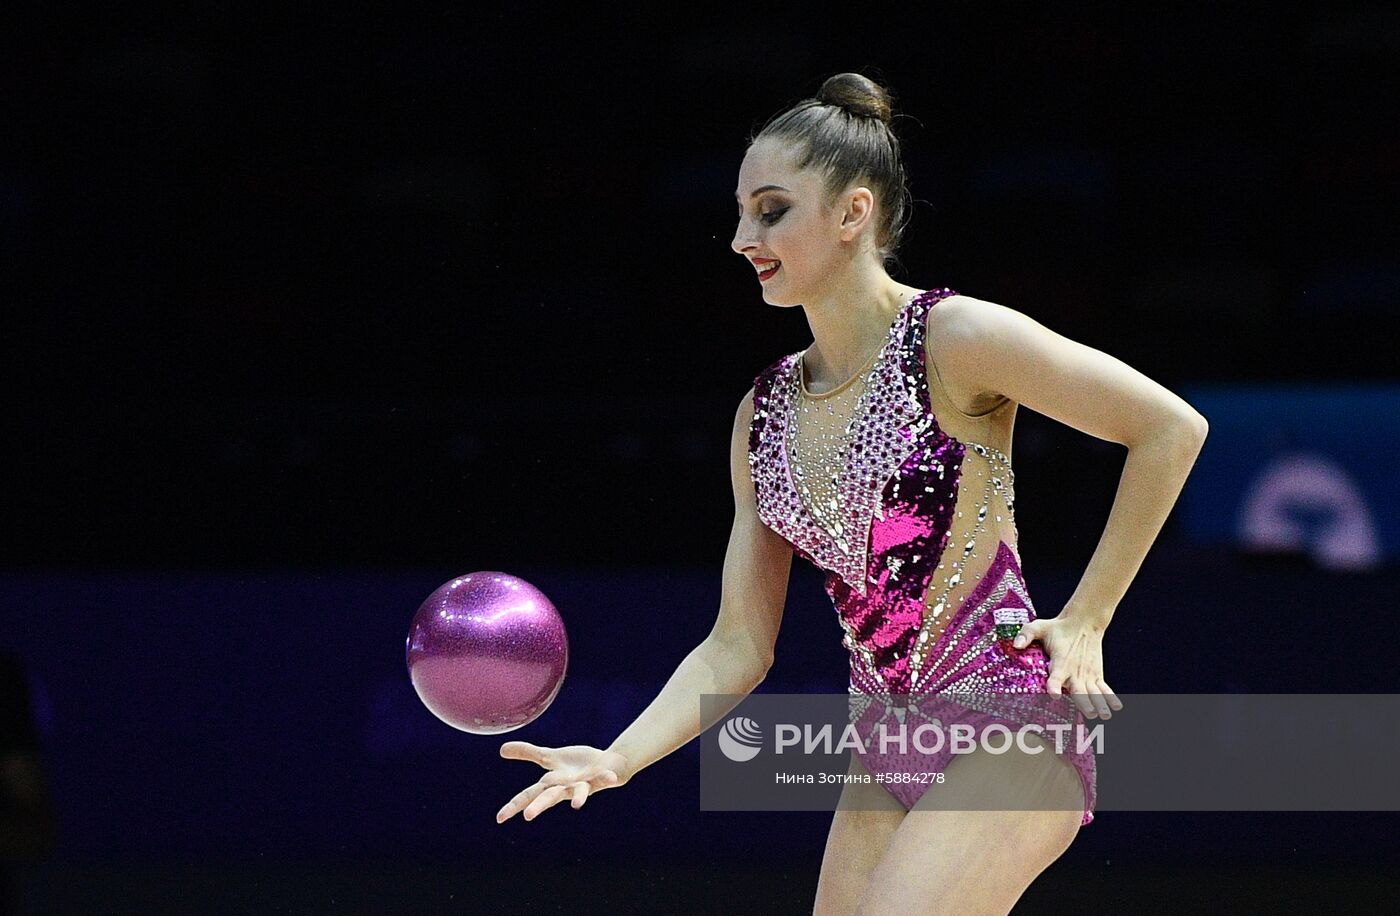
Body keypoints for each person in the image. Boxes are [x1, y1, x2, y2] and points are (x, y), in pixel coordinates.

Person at [497, 72, 1208, 914]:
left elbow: (1169, 429)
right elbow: (737, 646)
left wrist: (1088, 617)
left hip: (1011, 724)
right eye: (738, 212)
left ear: (851, 214)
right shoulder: (761, 415)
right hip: (885, 746)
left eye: (770, 211)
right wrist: (618, 758)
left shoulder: (956, 338)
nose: (739, 238)